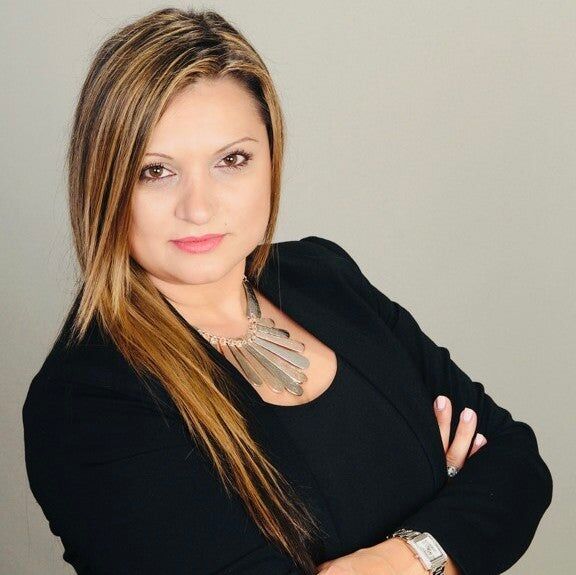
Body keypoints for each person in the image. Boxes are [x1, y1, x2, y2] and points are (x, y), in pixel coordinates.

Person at [21, 7, 553, 575]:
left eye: (232, 160)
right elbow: (491, 505)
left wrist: (386, 562)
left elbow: (517, 465)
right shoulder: (85, 400)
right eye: (155, 171)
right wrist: (448, 517)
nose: (198, 207)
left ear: (271, 161)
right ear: (103, 181)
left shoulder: (323, 275)